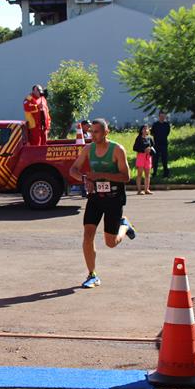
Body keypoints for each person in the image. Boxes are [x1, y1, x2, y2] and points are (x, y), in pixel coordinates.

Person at [69, 118, 136, 289]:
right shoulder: (88, 149)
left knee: (110, 243)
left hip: (114, 199)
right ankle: (92, 275)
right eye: (91, 131)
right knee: (88, 234)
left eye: (96, 131)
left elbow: (126, 177)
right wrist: (85, 179)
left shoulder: (117, 150)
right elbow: (73, 169)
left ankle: (125, 226)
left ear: (106, 132)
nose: (92, 134)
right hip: (95, 198)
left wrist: (100, 175)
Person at [133, 124, 155, 195]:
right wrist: (143, 150)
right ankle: (139, 190)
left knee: (147, 174)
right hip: (141, 156)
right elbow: (135, 148)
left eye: (147, 129)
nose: (145, 130)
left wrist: (150, 150)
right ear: (141, 130)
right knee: (139, 174)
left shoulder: (150, 138)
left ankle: (147, 189)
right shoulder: (139, 138)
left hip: (148, 157)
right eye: (144, 129)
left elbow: (153, 146)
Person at [150, 111, 171, 178]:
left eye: (163, 116)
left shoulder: (166, 124)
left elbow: (167, 132)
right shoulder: (155, 124)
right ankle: (154, 173)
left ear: (165, 117)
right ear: (159, 116)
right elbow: (152, 132)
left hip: (164, 144)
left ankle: (165, 173)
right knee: (155, 159)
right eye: (161, 116)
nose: (162, 118)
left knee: (164, 159)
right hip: (156, 144)